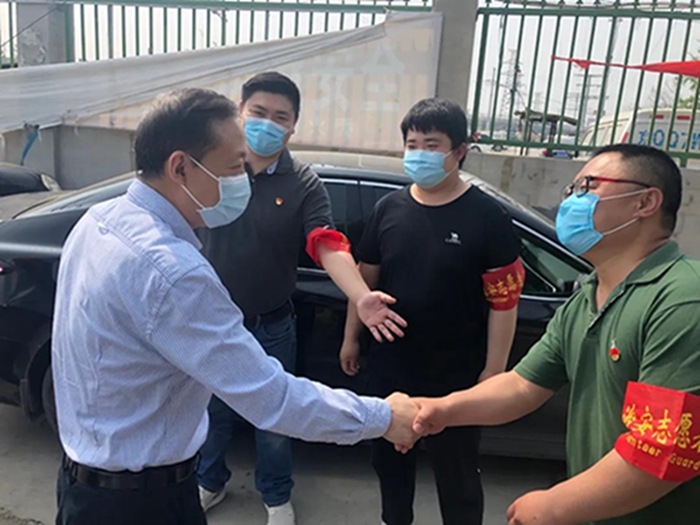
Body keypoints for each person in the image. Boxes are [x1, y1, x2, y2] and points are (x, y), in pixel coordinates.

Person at [52, 88, 419, 525]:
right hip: (140, 504)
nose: (241, 180)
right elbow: (273, 399)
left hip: (82, 482)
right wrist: (383, 417)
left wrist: (359, 294)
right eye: (232, 168)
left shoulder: (97, 221)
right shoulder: (174, 273)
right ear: (180, 167)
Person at [410, 144, 700, 525]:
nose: (571, 202)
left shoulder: (681, 298)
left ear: (645, 202)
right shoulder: (586, 299)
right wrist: (442, 409)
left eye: (588, 187)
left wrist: (554, 505)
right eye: (570, 190)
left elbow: (661, 449)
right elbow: (522, 386)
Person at [195, 72, 407, 524]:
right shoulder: (212, 168)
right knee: (211, 411)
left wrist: (360, 295)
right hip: (210, 323)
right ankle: (208, 482)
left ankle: (276, 497)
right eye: (258, 112)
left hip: (271, 325)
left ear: (293, 127)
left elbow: (326, 243)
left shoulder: (303, 183)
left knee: (275, 417)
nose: (267, 124)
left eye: (280, 117)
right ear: (240, 112)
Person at [340, 98, 524, 525]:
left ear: (459, 151)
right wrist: (351, 338)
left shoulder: (488, 217)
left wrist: (493, 372)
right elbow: (364, 283)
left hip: (455, 374)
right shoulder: (389, 209)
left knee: (457, 472)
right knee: (390, 464)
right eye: (412, 144)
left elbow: (504, 302)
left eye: (431, 144)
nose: (419, 153)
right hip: (390, 365)